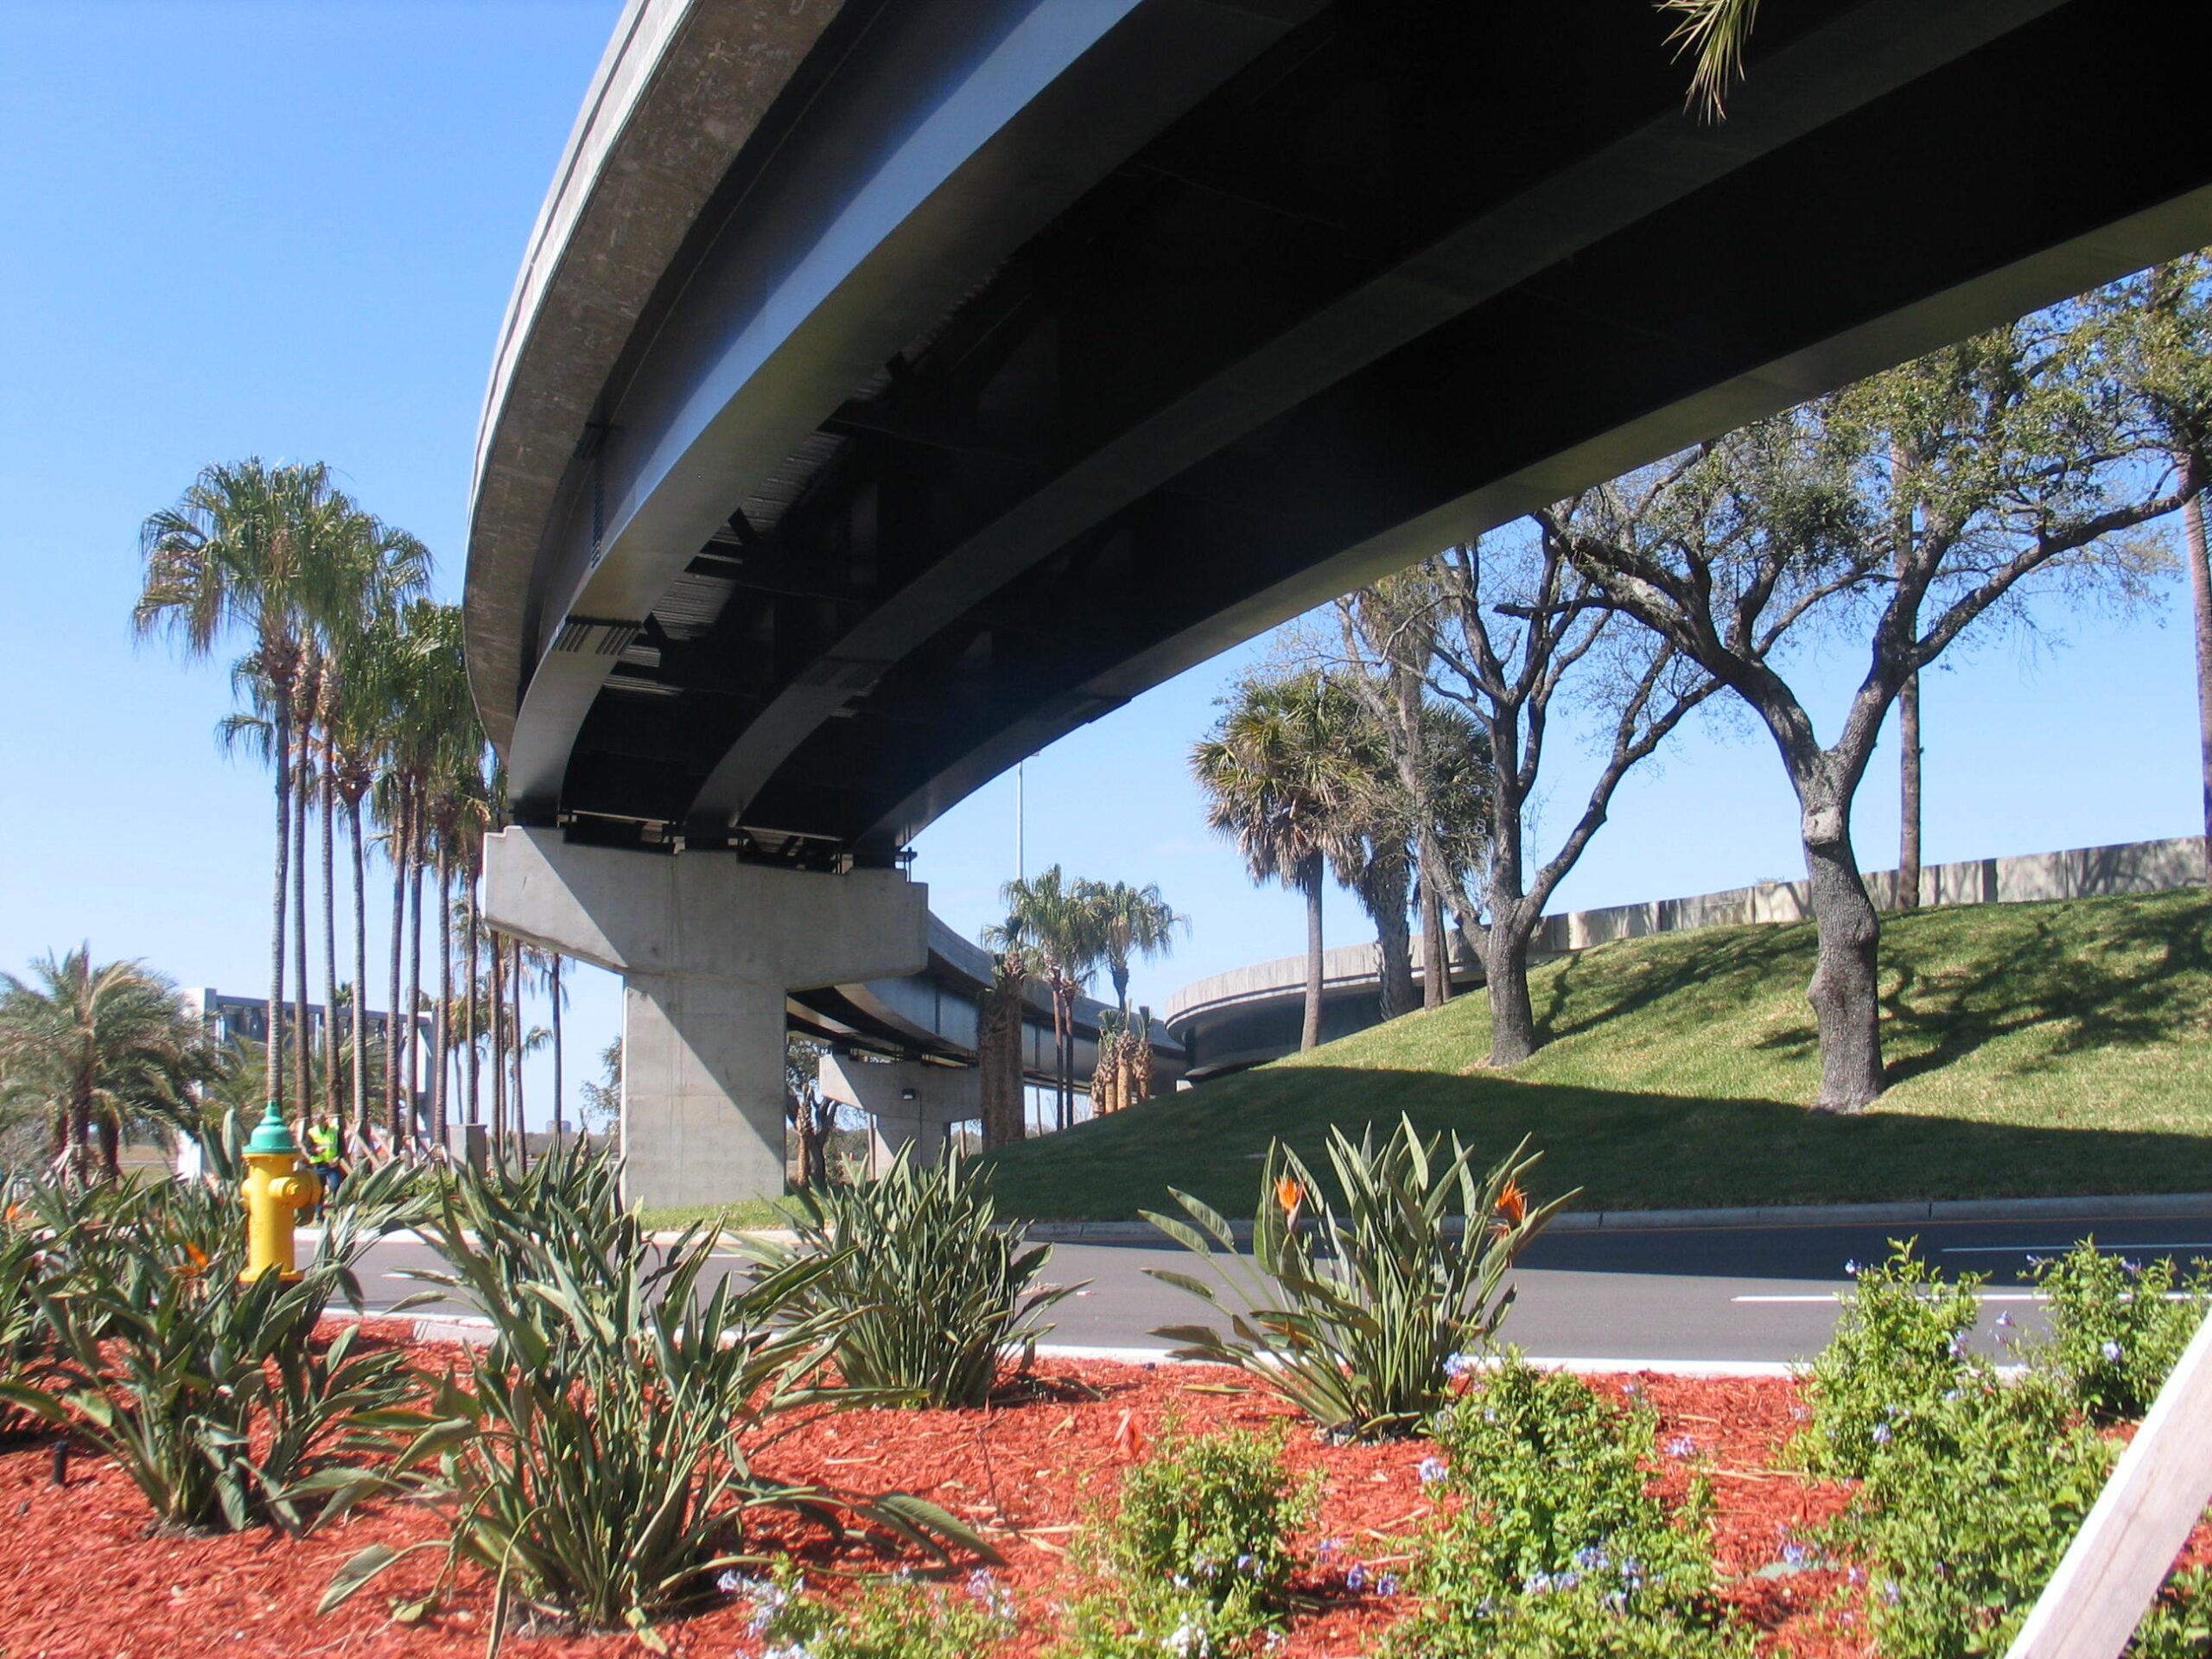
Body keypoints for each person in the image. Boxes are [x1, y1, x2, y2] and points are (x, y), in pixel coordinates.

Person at [306, 1115, 343, 1206]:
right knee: (319, 1189)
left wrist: (338, 1157)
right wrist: (316, 1150)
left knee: (336, 1186)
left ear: (324, 1120)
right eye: (316, 1121)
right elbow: (308, 1149)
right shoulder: (312, 1132)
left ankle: (337, 1209)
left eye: (319, 1121)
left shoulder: (334, 1131)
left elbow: (341, 1147)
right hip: (319, 1164)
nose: (318, 1123)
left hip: (332, 1164)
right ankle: (319, 1215)